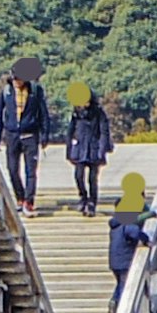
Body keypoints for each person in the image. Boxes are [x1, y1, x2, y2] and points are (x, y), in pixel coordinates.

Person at [0, 58, 52, 213]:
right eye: (15, 78)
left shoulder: (35, 91)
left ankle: (29, 202)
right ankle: (20, 197)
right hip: (12, 135)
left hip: (31, 135)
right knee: (12, 169)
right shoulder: (7, 91)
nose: (17, 81)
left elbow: (44, 114)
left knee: (31, 172)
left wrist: (45, 135)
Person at [62, 81, 118, 215]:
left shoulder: (98, 113)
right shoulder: (76, 113)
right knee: (78, 176)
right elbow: (70, 132)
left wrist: (102, 150)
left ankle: (92, 202)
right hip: (80, 148)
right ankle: (83, 197)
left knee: (93, 179)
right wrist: (69, 150)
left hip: (94, 148)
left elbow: (104, 132)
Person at [105, 169, 152, 293]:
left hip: (114, 260)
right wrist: (146, 240)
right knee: (124, 286)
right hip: (125, 260)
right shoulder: (127, 222)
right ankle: (118, 304)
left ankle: (114, 301)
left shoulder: (115, 224)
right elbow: (135, 232)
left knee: (121, 283)